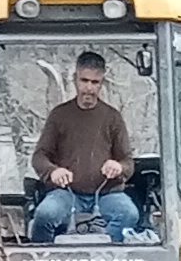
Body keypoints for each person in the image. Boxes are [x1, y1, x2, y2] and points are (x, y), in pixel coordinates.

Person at [29, 52, 141, 242]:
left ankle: (106, 258)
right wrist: (53, 171)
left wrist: (119, 167)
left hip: (106, 194)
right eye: (84, 80)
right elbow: (39, 156)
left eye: (95, 82)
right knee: (45, 214)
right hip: (67, 194)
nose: (89, 88)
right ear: (75, 80)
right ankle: (45, 260)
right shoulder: (60, 115)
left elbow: (128, 162)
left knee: (129, 214)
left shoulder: (112, 118)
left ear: (102, 83)